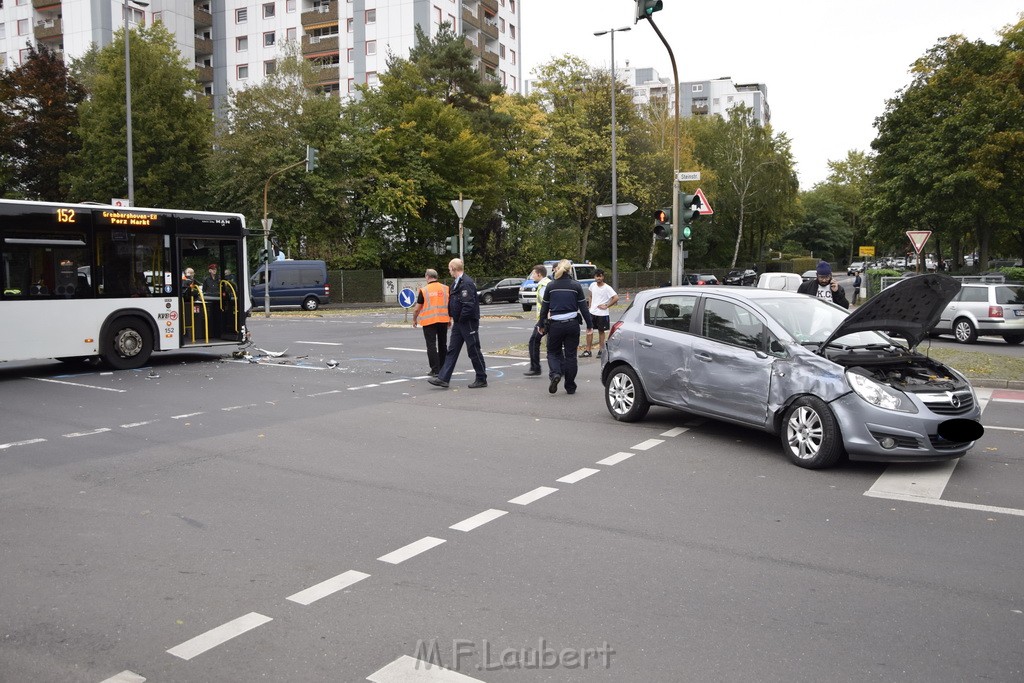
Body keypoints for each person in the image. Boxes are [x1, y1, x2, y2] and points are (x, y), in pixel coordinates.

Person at [428, 258, 487, 389]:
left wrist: (460, 317)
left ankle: (481, 377)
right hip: (459, 322)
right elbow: (454, 301)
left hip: (468, 322)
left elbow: (469, 305)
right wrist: (452, 316)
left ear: (454, 268)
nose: (449, 271)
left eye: (449, 268)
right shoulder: (456, 282)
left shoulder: (466, 283)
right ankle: (443, 378)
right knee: (452, 350)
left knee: (473, 349)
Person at [538, 259, 593, 395]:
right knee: (571, 356)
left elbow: (544, 308)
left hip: (555, 325)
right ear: (570, 270)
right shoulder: (576, 286)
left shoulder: (551, 286)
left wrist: (541, 325)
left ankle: (556, 374)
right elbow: (583, 308)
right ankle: (570, 386)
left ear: (557, 269)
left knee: (552, 352)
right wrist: (590, 325)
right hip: (572, 324)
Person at [412, 268, 450, 377]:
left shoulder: (424, 290)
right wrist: (450, 318)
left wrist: (415, 319)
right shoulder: (446, 288)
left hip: (429, 321)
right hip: (443, 320)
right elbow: (450, 305)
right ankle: (443, 367)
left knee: (431, 345)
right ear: (436, 277)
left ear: (427, 277)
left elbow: (417, 309)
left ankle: (435, 369)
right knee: (443, 344)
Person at [581, 268, 618, 358]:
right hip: (592, 313)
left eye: (600, 276)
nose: (598, 278)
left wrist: (606, 305)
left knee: (601, 332)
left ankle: (601, 350)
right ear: (594, 277)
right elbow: (590, 295)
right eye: (597, 276)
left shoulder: (607, 288)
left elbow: (616, 297)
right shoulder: (592, 285)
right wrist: (590, 305)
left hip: (602, 314)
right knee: (589, 331)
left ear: (603, 277)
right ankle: (588, 351)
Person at [524, 264, 551, 376]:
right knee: (553, 344)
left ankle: (535, 368)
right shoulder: (548, 283)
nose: (532, 276)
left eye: (534, 273)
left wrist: (542, 322)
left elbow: (546, 304)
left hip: (545, 319)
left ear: (539, 274)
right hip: (548, 318)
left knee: (534, 341)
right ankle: (560, 368)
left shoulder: (543, 286)